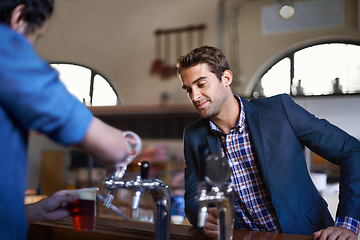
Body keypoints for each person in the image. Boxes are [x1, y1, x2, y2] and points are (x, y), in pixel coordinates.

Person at [176, 45, 360, 239]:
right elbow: (194, 198)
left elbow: (351, 151)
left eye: (201, 84)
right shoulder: (193, 136)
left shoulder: (280, 111)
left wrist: (347, 224)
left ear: (226, 78)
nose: (194, 97)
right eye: (188, 90)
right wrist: (204, 218)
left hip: (306, 235)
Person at [0, 1, 132, 239]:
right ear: (19, 17)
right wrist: (128, 145)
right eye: (34, 36)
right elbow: (112, 148)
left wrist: (34, 211)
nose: (28, 46)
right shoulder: (5, 47)